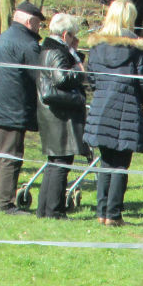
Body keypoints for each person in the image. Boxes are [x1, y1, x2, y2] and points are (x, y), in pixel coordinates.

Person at [83, 0, 143, 226]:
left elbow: (91, 77)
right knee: (121, 164)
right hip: (127, 108)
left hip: (101, 107)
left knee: (106, 162)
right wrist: (137, 99)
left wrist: (103, 92)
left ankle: (102, 211)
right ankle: (113, 214)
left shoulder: (96, 46)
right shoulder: (136, 48)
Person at [0, 1, 42, 215]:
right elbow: (38, 76)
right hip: (14, 109)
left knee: (0, 155)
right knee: (11, 156)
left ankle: (0, 197)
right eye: (37, 24)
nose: (38, 29)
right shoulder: (28, 45)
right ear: (29, 21)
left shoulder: (0, 40)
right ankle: (5, 204)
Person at [34, 12, 87, 219]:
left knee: (55, 162)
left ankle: (45, 209)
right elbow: (61, 78)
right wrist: (80, 71)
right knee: (61, 163)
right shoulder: (57, 52)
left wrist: (74, 54)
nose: (75, 40)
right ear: (65, 35)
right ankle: (54, 210)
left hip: (52, 114)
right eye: (73, 36)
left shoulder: (49, 49)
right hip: (59, 116)